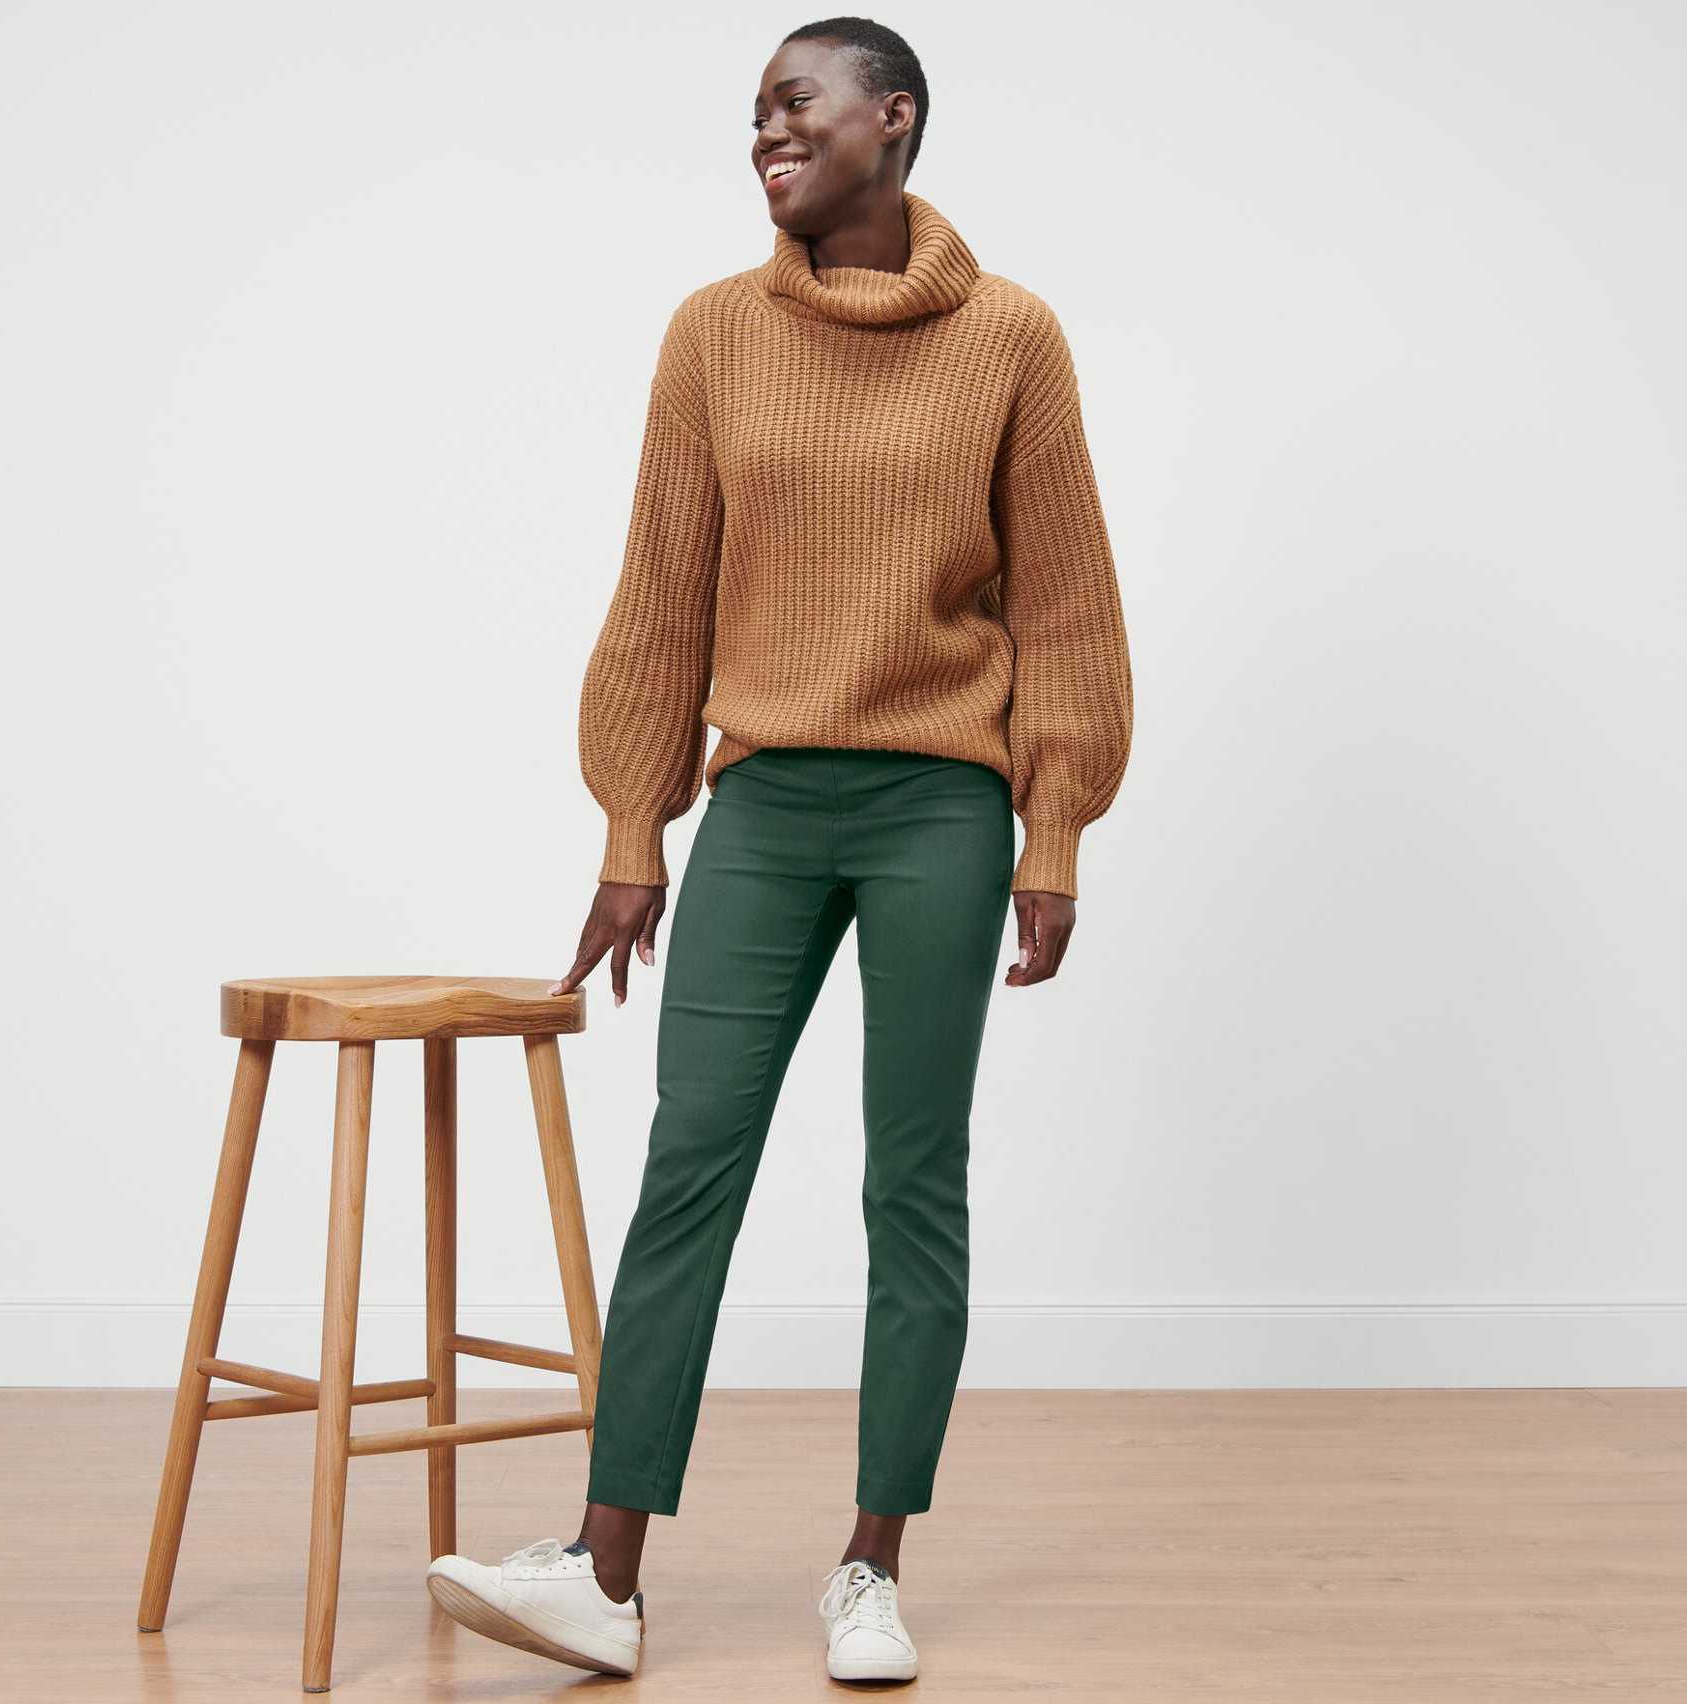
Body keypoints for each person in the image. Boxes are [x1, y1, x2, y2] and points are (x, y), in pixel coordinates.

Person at [425, 15, 1132, 1684]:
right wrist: (631, 823)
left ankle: (871, 1567)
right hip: (765, 799)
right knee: (692, 1162)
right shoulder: (713, 335)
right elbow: (662, 592)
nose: (765, 134)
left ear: (894, 121)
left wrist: (1057, 838)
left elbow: (1070, 600)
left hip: (940, 805)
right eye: (753, 113)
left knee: (913, 1181)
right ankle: (604, 1575)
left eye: (794, 104)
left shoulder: (1014, 339)